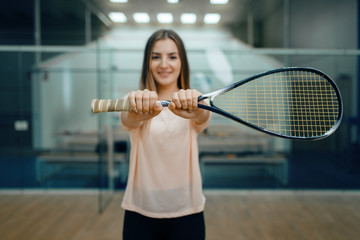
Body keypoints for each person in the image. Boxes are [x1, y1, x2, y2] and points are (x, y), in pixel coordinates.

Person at [120, 29, 211, 240]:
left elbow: (202, 116)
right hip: (139, 211)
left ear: (182, 62)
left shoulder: (195, 100)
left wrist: (197, 107)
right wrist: (137, 109)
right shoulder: (133, 100)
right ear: (147, 63)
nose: (164, 64)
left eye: (172, 56)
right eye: (155, 57)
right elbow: (128, 119)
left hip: (188, 212)